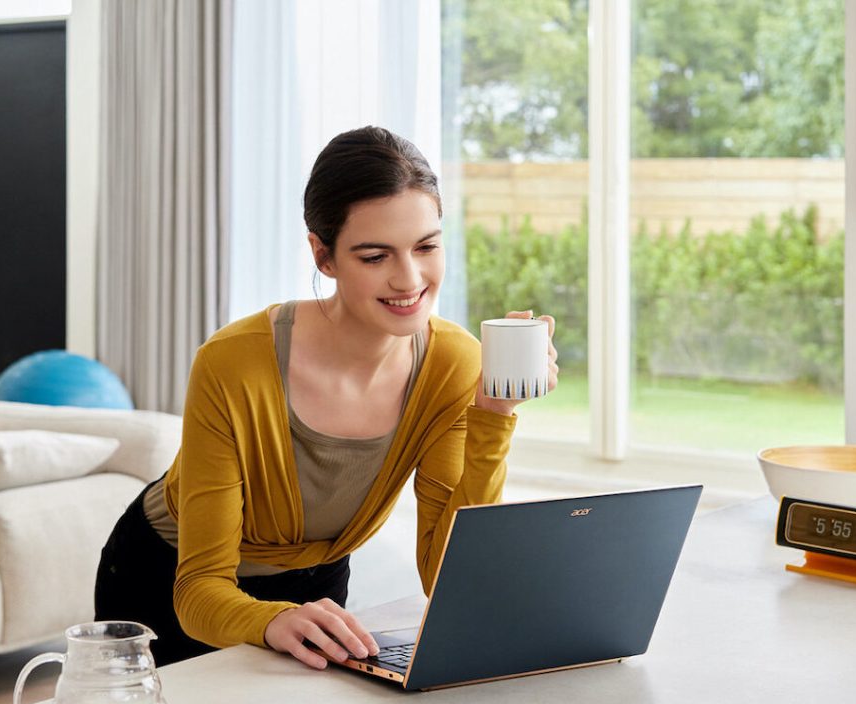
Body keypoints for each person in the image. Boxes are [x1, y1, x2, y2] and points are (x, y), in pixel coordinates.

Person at [94, 126, 559, 669]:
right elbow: (199, 592)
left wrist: (492, 417)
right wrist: (269, 617)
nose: (409, 278)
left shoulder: (454, 364)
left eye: (426, 246)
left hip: (315, 588)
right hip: (165, 576)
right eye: (374, 256)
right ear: (324, 255)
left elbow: (445, 575)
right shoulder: (233, 363)